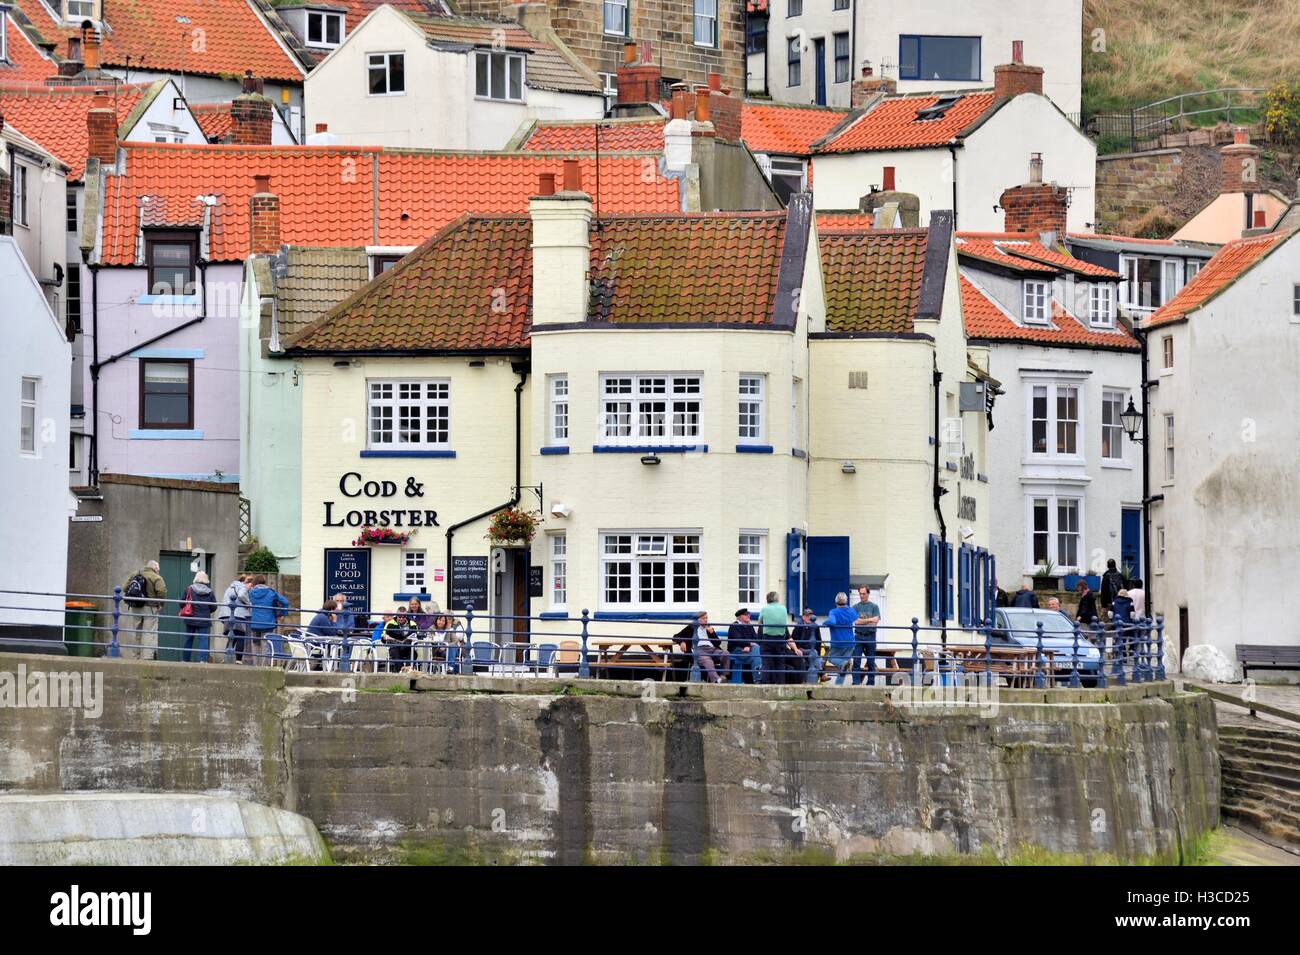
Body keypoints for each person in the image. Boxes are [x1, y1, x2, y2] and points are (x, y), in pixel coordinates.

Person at [121, 559, 167, 660]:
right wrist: (161, 604)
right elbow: (162, 591)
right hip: (150, 608)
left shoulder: (135, 574)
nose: (158, 570)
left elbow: (124, 588)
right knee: (149, 632)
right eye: (157, 568)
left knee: (137, 632)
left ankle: (135, 656)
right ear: (154, 568)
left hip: (136, 607)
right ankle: (146, 657)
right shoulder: (156, 577)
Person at [673, 611, 729, 683]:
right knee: (707, 660)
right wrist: (682, 642)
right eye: (703, 618)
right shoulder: (691, 627)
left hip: (711, 649)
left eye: (706, 618)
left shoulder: (709, 627)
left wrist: (712, 633)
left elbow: (718, 643)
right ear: (698, 619)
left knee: (726, 654)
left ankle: (723, 676)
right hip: (699, 649)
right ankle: (717, 680)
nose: (706, 620)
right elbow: (675, 637)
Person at [247, 575, 290, 665]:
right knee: (266, 645)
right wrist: (282, 613)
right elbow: (285, 602)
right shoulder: (271, 593)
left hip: (254, 623)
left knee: (255, 644)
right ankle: (264, 667)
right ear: (264, 582)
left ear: (255, 582)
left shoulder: (251, 592)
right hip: (268, 623)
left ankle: (256, 666)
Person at [758, 591, 798, 684]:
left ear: (767, 599)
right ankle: (781, 684)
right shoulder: (783, 608)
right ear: (777, 599)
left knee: (766, 662)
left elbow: (759, 623)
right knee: (780, 663)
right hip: (780, 638)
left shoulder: (765, 609)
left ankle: (766, 685)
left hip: (768, 639)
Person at [179, 571, 216, 663]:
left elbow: (181, 603)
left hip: (191, 617)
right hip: (204, 619)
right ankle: (203, 660)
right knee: (203, 639)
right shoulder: (210, 591)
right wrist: (207, 611)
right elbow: (214, 607)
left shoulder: (189, 589)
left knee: (188, 638)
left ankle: (185, 659)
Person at [851, 585, 882, 687]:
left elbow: (875, 622)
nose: (862, 595)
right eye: (860, 593)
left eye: (864, 593)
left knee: (871, 661)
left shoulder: (874, 607)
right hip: (858, 636)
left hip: (870, 636)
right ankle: (856, 683)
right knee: (856, 660)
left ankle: (870, 683)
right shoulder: (855, 607)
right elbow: (856, 622)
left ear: (868, 594)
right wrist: (870, 619)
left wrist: (862, 621)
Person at [217, 574, 252, 663]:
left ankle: (226, 657)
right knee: (240, 636)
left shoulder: (230, 588)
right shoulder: (242, 587)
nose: (250, 588)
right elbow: (241, 595)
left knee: (232, 637)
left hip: (226, 614)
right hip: (238, 615)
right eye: (250, 585)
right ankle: (238, 660)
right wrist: (249, 603)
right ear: (246, 582)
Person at [825, 593, 858, 685]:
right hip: (850, 642)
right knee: (843, 668)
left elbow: (832, 621)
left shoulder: (833, 612)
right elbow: (856, 619)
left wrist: (825, 623)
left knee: (830, 658)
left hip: (837, 641)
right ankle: (838, 686)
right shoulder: (851, 611)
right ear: (846, 601)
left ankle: (842, 663)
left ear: (836, 601)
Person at [726, 609, 760, 684]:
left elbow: (756, 639)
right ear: (740, 617)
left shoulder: (749, 626)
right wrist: (749, 644)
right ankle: (757, 680)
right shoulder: (734, 626)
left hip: (749, 650)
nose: (748, 616)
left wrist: (749, 646)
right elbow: (737, 640)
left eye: (748, 614)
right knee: (757, 655)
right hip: (737, 650)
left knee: (757, 651)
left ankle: (756, 679)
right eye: (746, 614)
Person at [791, 608, 823, 684]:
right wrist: (797, 650)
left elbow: (819, 641)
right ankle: (822, 674)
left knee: (815, 654)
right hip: (801, 649)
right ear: (803, 617)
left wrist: (818, 653)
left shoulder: (816, 627)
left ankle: (810, 683)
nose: (809, 617)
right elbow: (794, 640)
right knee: (814, 653)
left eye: (811, 615)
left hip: (812, 651)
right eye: (807, 616)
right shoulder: (798, 627)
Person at [306, 601, 339, 670]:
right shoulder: (323, 618)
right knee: (336, 644)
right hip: (316, 642)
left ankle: (328, 665)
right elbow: (331, 632)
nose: (337, 610)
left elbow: (330, 631)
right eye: (336, 608)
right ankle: (333, 666)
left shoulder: (322, 616)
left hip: (313, 640)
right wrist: (334, 620)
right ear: (332, 609)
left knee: (334, 643)